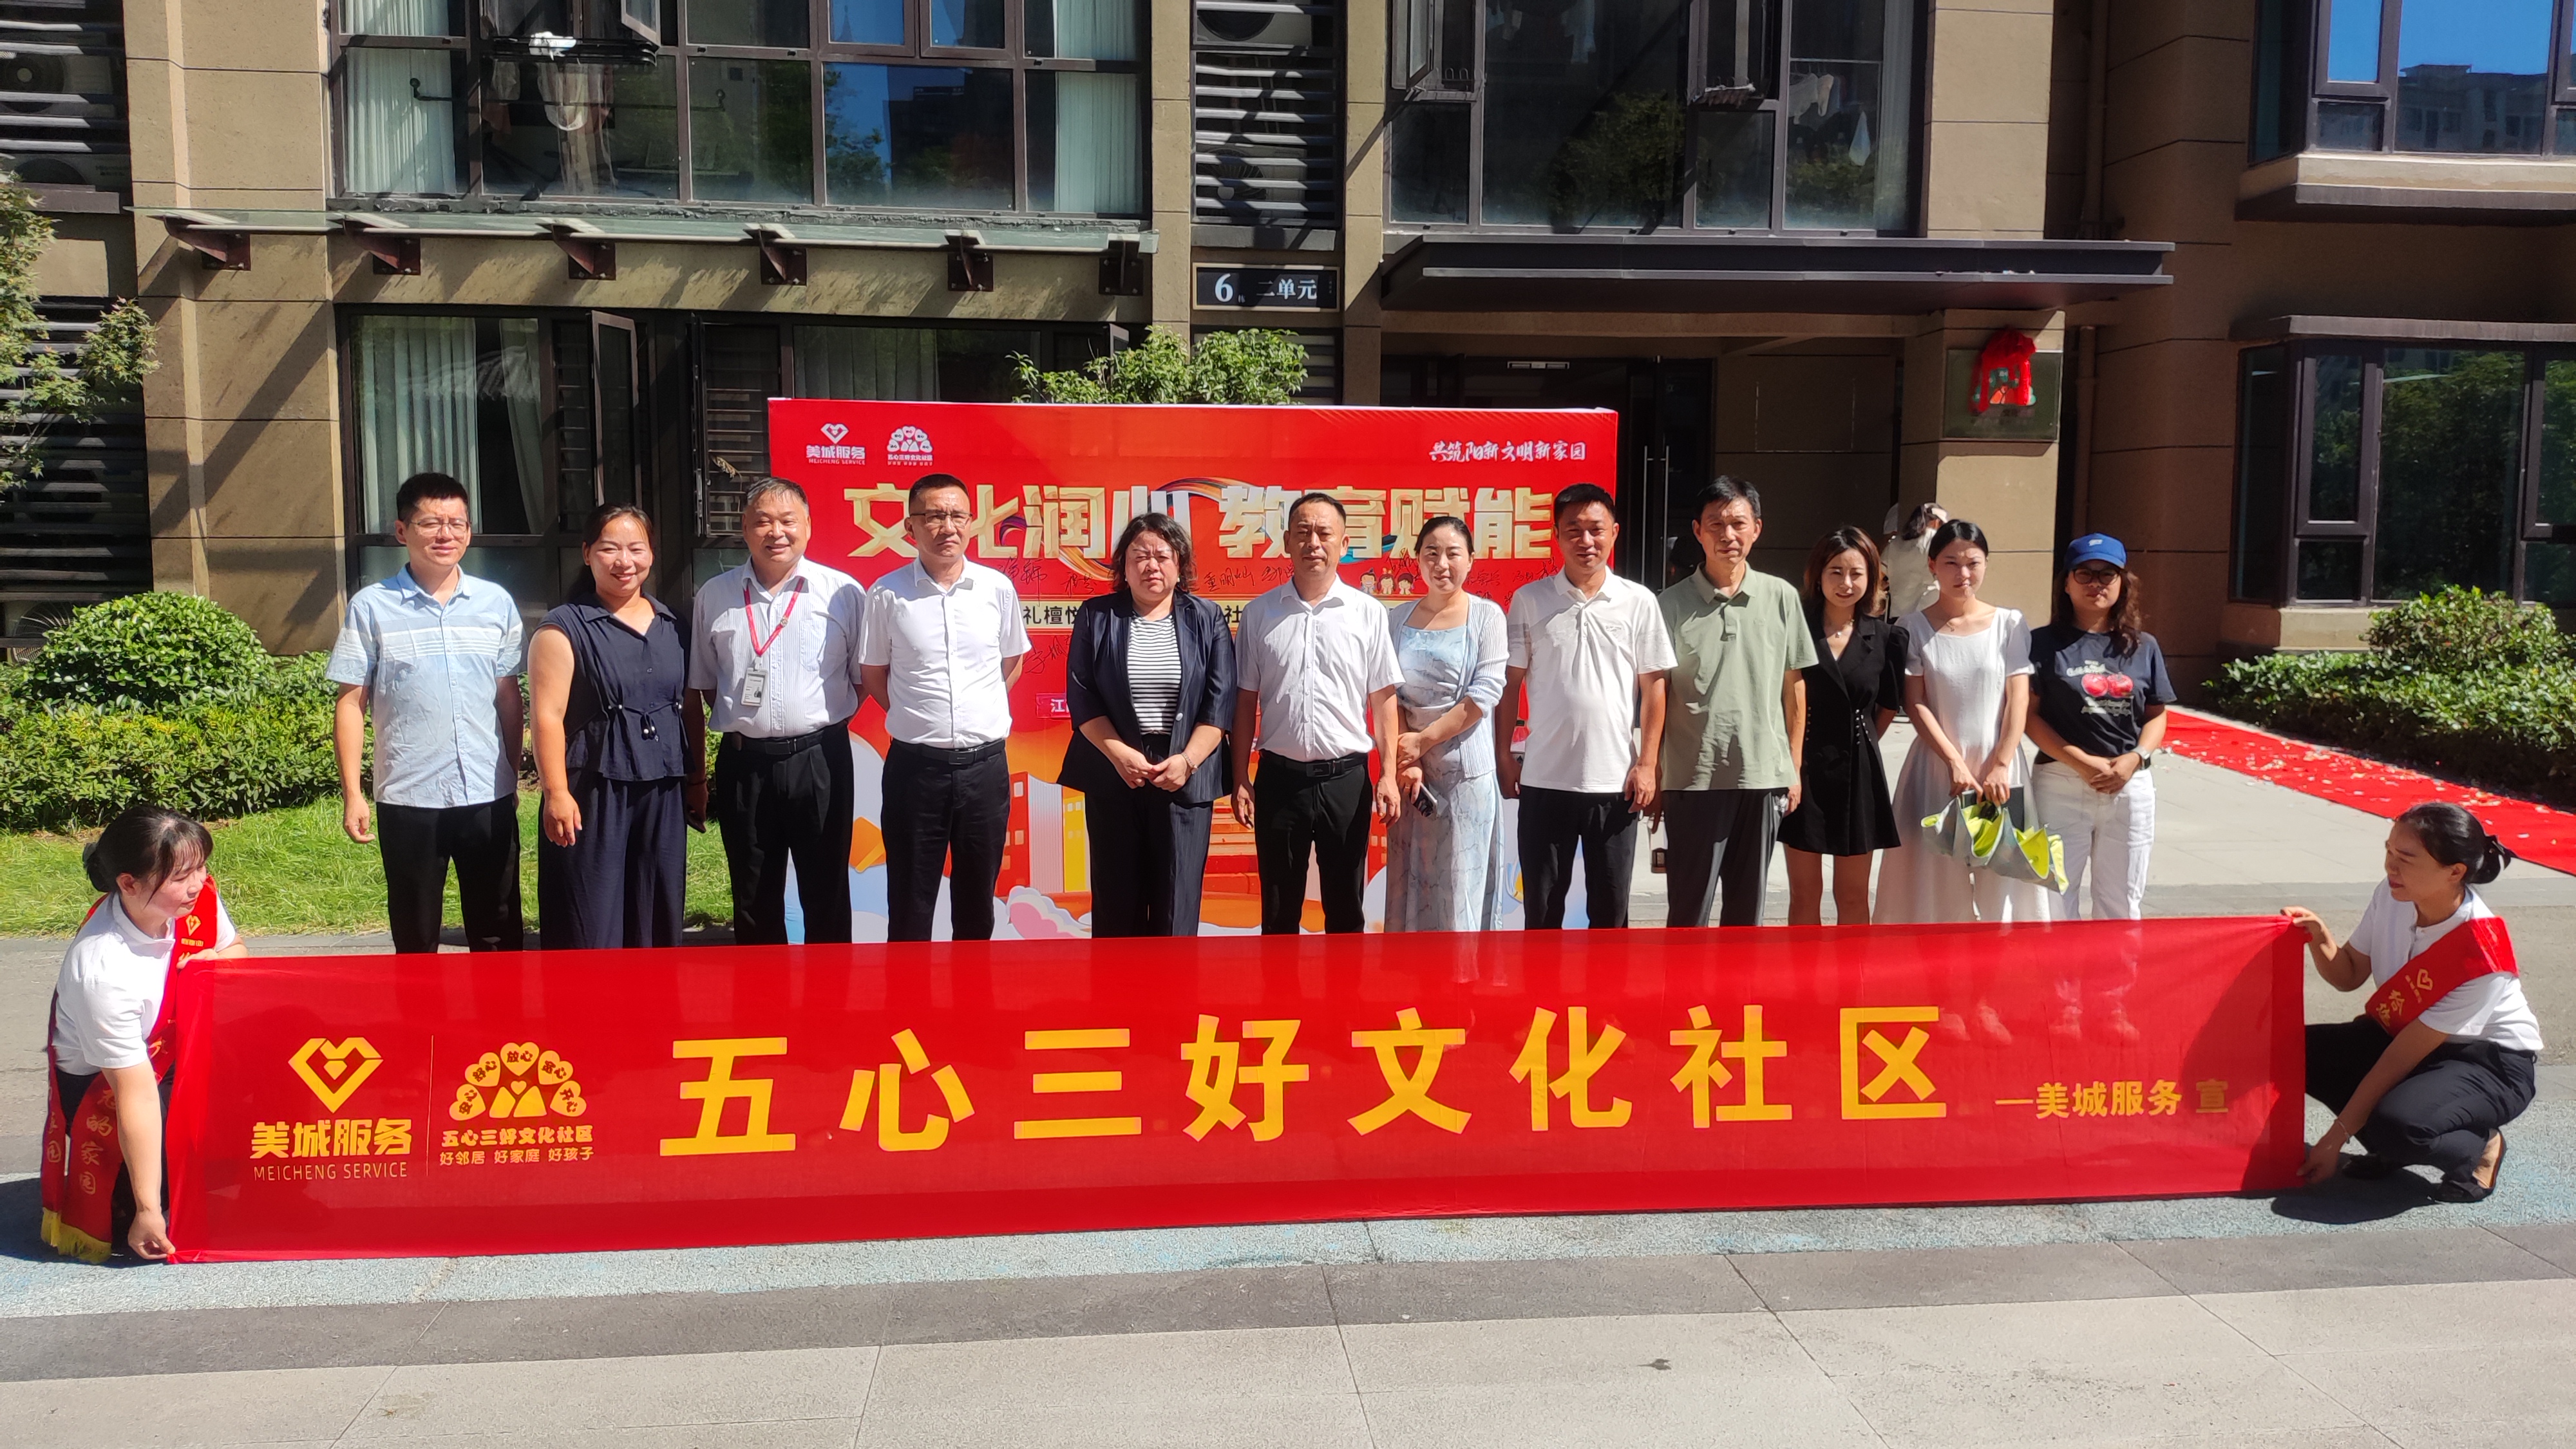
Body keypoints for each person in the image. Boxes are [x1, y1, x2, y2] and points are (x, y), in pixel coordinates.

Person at [2286, 803, 2541, 1202]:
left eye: (2405, 858)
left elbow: (2398, 1060)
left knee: (2400, 1125)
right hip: (2408, 1038)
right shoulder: (2393, 895)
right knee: (2291, 1052)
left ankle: (2480, 1146)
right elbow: (2348, 975)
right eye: (2389, 851)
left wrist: (2334, 1139)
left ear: (2454, 872)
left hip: (2488, 1062)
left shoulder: (2479, 950)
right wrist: (2319, 936)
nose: (2391, 866)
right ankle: (2389, 1147)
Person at [327, 471, 526, 954]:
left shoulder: (495, 603)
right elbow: (351, 702)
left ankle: (500, 1009)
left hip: (486, 790)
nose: (446, 534)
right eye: (431, 523)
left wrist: (512, 772)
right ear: (402, 531)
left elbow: (508, 697)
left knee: (499, 929)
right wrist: (353, 794)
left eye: (457, 523)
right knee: (415, 935)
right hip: (409, 795)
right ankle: (420, 1010)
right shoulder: (371, 607)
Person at [41, 804, 247, 1261]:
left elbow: (235, 949)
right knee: (165, 1195)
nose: (198, 884)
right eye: (181, 876)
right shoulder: (102, 969)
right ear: (129, 884)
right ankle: (141, 1200)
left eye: (201, 868)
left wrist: (217, 964)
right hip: (108, 1090)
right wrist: (148, 1209)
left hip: (171, 1059)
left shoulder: (194, 900)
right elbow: (134, 1094)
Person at [687, 477, 867, 945]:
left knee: (826, 890)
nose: (776, 532)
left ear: (808, 525)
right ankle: (763, 991)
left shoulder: (843, 592)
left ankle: (829, 991)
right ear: (744, 528)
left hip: (821, 759)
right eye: (763, 522)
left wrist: (813, 720)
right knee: (753, 895)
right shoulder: (715, 595)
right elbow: (706, 683)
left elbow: (860, 678)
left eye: (788, 521)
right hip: (744, 763)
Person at [861, 473, 1030, 942]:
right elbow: (874, 673)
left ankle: (971, 990)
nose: (947, 527)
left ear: (971, 523)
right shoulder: (887, 594)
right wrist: (918, 714)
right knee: (910, 904)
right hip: (916, 771)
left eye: (957, 516)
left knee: (977, 906)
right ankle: (910, 991)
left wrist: (978, 708)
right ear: (910, 526)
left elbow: (1012, 661)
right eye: (934, 516)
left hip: (985, 770)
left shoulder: (996, 588)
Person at [1500, 482, 1674, 931]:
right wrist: (1503, 755)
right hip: (1544, 780)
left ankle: (1607, 984)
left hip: (1615, 782)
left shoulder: (1638, 601)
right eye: (1573, 530)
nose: (1586, 540)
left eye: (1596, 529)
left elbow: (1654, 686)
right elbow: (1510, 683)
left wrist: (1648, 763)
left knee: (1611, 915)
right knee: (1542, 912)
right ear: (1556, 536)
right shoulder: (1530, 599)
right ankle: (1542, 981)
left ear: (1614, 533)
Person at [1231, 493, 1404, 935]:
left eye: (1325, 533)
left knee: (1346, 913)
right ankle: (1280, 986)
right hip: (1279, 782)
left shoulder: (1367, 613)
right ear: (1287, 542)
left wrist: (1388, 773)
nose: (1314, 543)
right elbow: (1245, 700)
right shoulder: (1260, 614)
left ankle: (1345, 986)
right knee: (1278, 915)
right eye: (1303, 533)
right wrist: (1239, 777)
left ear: (1343, 543)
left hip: (1346, 781)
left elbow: (1384, 698)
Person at [1060, 513, 1236, 937]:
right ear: (1123, 566)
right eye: (1140, 556)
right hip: (1114, 768)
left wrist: (1188, 761)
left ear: (1180, 564)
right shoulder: (1097, 615)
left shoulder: (1207, 618)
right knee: (1116, 906)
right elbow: (1082, 696)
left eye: (1162, 556)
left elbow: (1219, 702)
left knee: (1177, 907)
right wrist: (1120, 754)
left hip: (1185, 774)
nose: (1151, 565)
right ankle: (1118, 984)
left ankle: (1174, 984)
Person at [1875, 518, 2049, 944]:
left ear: (1986, 564)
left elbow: (2018, 699)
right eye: (1951, 563)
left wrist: (2001, 763)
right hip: (1938, 770)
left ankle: (2000, 979)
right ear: (1933, 566)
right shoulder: (1912, 627)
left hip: (1999, 773)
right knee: (1933, 886)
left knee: (2005, 884)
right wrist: (1953, 761)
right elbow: (1916, 702)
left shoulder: (2009, 623)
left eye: (1973, 563)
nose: (1963, 573)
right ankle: (1936, 976)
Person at [530, 505, 692, 950]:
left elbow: (687, 706)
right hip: (593, 789)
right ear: (587, 554)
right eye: (610, 549)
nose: (625, 561)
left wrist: (696, 781)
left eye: (636, 549)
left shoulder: (674, 624)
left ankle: (653, 996)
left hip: (663, 787)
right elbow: (546, 716)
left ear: (652, 554)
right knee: (590, 921)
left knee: (656, 914)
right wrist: (556, 793)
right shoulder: (562, 628)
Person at [1657, 478, 1814, 928]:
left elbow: (1794, 687)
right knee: (1689, 913)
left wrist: (1793, 767)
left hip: (1761, 776)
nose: (1728, 535)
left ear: (1757, 529)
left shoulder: (1781, 597)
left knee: (1747, 916)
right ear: (1697, 531)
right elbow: (1657, 692)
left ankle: (1740, 983)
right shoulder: (1669, 604)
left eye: (1738, 524)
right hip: (1692, 779)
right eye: (1716, 524)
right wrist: (1653, 766)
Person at [2025, 533, 2175, 923]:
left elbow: (2156, 714)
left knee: (2122, 903)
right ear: (2067, 583)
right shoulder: (2041, 643)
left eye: (2107, 574)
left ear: (2123, 582)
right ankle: (2060, 969)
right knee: (2053, 900)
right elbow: (2029, 716)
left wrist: (2135, 758)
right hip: (2060, 782)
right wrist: (2079, 762)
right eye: (2085, 574)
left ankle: (2116, 969)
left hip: (2128, 785)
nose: (2096, 584)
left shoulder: (2143, 646)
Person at [1384, 515, 1510, 934]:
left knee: (1460, 898)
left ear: (1471, 559)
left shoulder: (1487, 616)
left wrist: (1423, 741)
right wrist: (1409, 760)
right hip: (1412, 780)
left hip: (1465, 779)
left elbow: (1484, 694)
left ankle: (1461, 976)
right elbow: (1388, 692)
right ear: (1417, 559)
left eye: (1453, 553)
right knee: (1411, 890)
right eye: (1431, 553)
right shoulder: (1396, 619)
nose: (1442, 564)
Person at [1778, 527, 1909, 926]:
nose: (1846, 583)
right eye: (1836, 572)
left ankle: (1853, 969)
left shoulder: (1886, 637)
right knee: (1804, 893)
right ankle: (1804, 968)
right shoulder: (1794, 628)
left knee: (1852, 895)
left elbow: (1887, 706)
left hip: (1859, 771)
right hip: (1803, 767)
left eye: (1857, 573)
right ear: (1818, 575)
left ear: (1872, 578)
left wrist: (1860, 739)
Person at [1882, 502, 1948, 618]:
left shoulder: (1895, 543)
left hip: (1898, 614)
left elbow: (1880, 573)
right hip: (1927, 612)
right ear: (1936, 522)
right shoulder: (1935, 540)